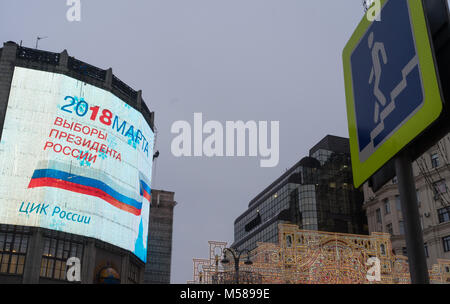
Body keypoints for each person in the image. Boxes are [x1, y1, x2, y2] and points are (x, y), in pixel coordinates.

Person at [368, 32, 388, 124]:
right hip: (376, 72)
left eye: (370, 40)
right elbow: (373, 65)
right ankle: (376, 117)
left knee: (375, 90)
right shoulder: (372, 50)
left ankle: (384, 101)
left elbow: (382, 49)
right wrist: (370, 78)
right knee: (374, 93)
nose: (369, 42)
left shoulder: (377, 44)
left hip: (379, 70)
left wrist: (385, 60)